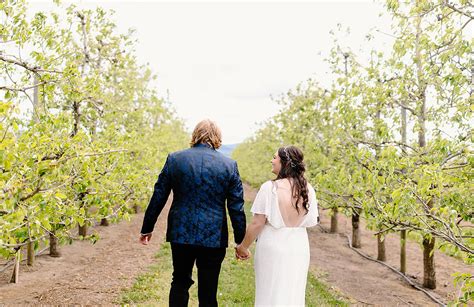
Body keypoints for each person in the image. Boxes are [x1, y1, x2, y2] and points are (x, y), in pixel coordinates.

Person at [139, 119, 246, 307]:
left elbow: (159, 195)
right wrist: (240, 240)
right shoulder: (229, 165)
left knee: (179, 281)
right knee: (208, 289)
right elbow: (236, 207)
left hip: (181, 232)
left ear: (195, 135)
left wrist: (148, 227)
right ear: (217, 138)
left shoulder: (175, 159)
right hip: (213, 235)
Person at [235, 146, 319, 306]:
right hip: (299, 247)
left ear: (284, 163)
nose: (271, 161)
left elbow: (257, 223)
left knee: (269, 292)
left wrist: (243, 247)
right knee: (293, 293)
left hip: (273, 246)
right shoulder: (308, 189)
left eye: (275, 158)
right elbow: (312, 220)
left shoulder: (269, 188)